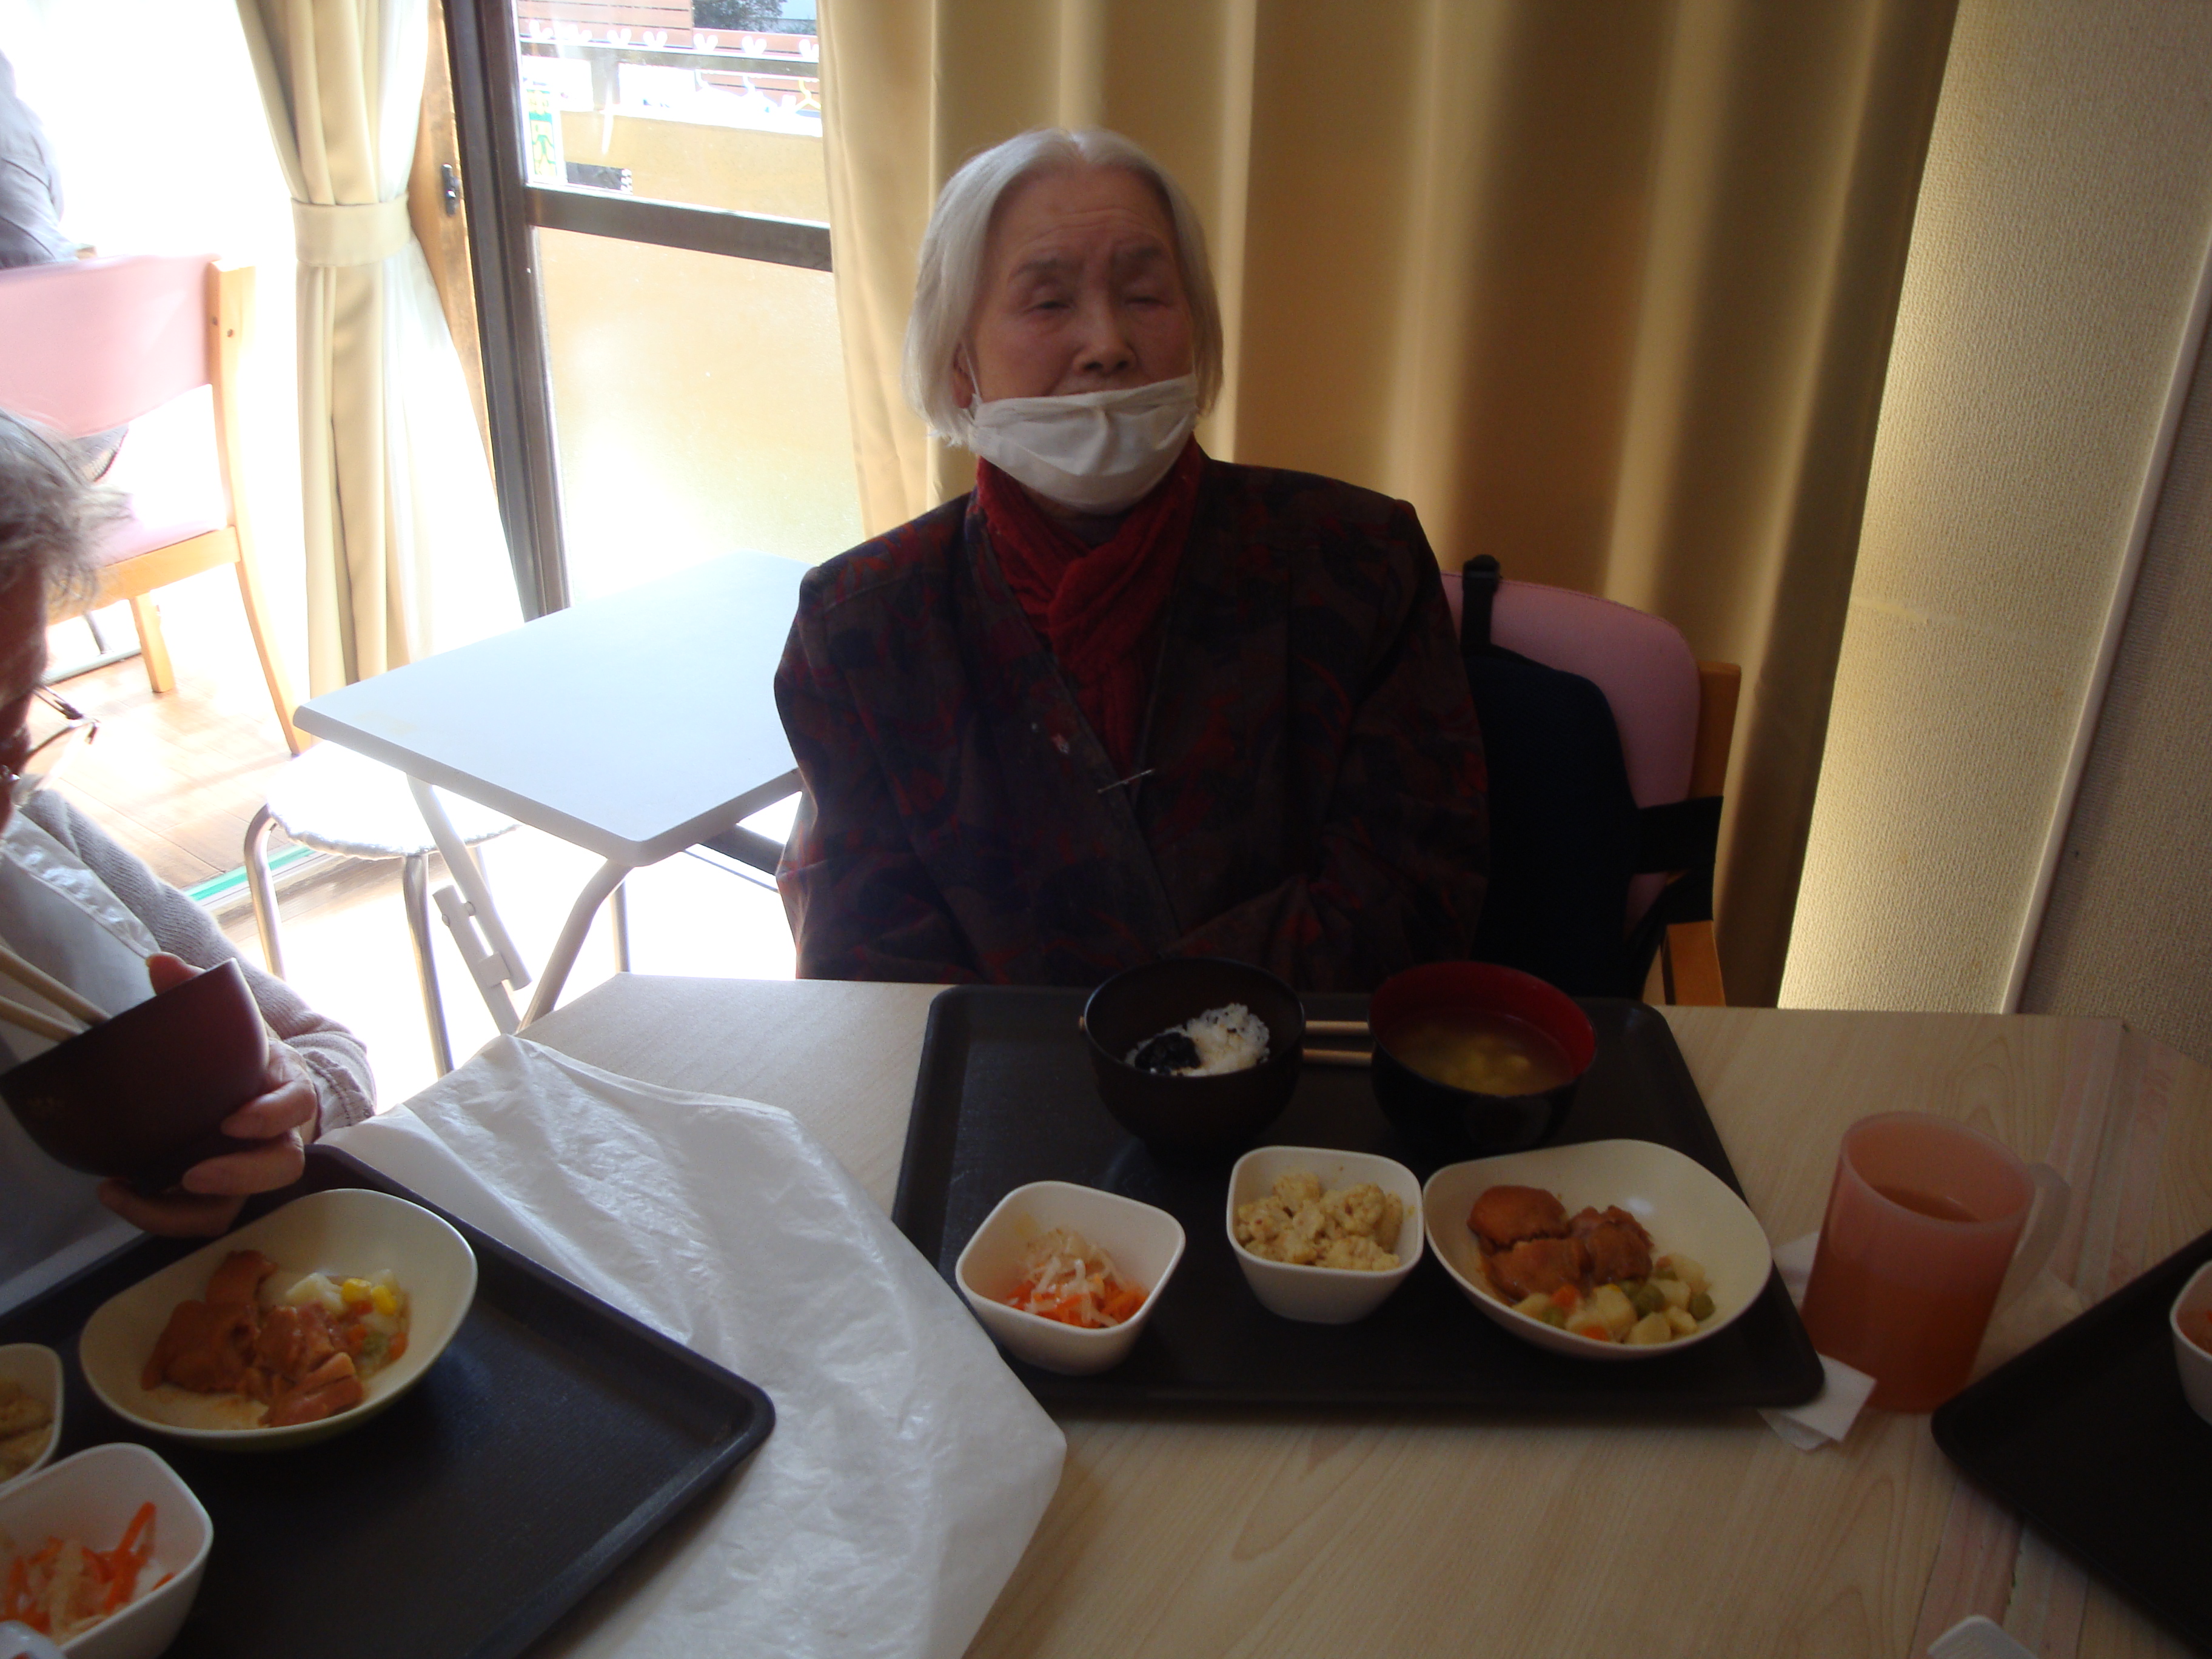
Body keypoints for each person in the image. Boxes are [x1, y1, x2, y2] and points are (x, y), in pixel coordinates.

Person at [776, 127, 1486, 991]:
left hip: (1297, 1066)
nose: (1107, 343)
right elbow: (864, 959)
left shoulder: (1358, 563)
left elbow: (1411, 895)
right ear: (960, 364)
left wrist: (1143, 1023)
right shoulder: (862, 625)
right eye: (1048, 303)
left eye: (1146, 296)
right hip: (992, 1075)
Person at [0, 409, 374, 1310]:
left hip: (181, 1332)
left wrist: (287, 1109)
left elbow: (328, 1053)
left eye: (16, 711)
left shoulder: (36, 827)